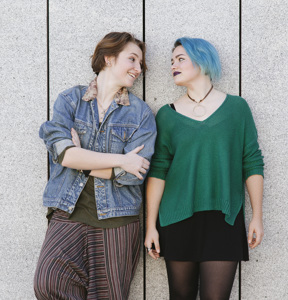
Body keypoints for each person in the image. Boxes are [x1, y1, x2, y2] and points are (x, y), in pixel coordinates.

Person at [34, 32, 157, 300]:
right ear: (108, 58)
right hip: (68, 210)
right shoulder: (71, 100)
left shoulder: (141, 114)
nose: (138, 69)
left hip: (118, 219)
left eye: (141, 64)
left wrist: (81, 158)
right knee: (48, 283)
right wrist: (122, 158)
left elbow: (133, 176)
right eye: (132, 59)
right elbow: (63, 153)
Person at [144, 37, 265, 300]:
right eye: (171, 61)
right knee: (180, 296)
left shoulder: (237, 108)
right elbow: (158, 171)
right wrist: (150, 225)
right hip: (176, 218)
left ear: (202, 61)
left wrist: (257, 215)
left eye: (180, 59)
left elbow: (252, 161)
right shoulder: (166, 114)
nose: (173, 65)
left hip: (224, 218)